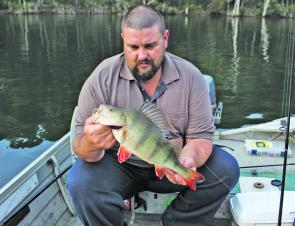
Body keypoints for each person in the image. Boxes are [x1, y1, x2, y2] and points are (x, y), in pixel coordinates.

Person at [67, 4, 239, 226]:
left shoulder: (191, 77)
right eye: (133, 47)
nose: (142, 55)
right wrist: (91, 143)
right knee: (81, 182)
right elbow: (79, 147)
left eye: (150, 46)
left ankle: (176, 222)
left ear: (165, 38)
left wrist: (187, 160)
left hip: (168, 161)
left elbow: (201, 137)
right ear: (123, 40)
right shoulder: (101, 77)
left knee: (225, 169)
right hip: (120, 167)